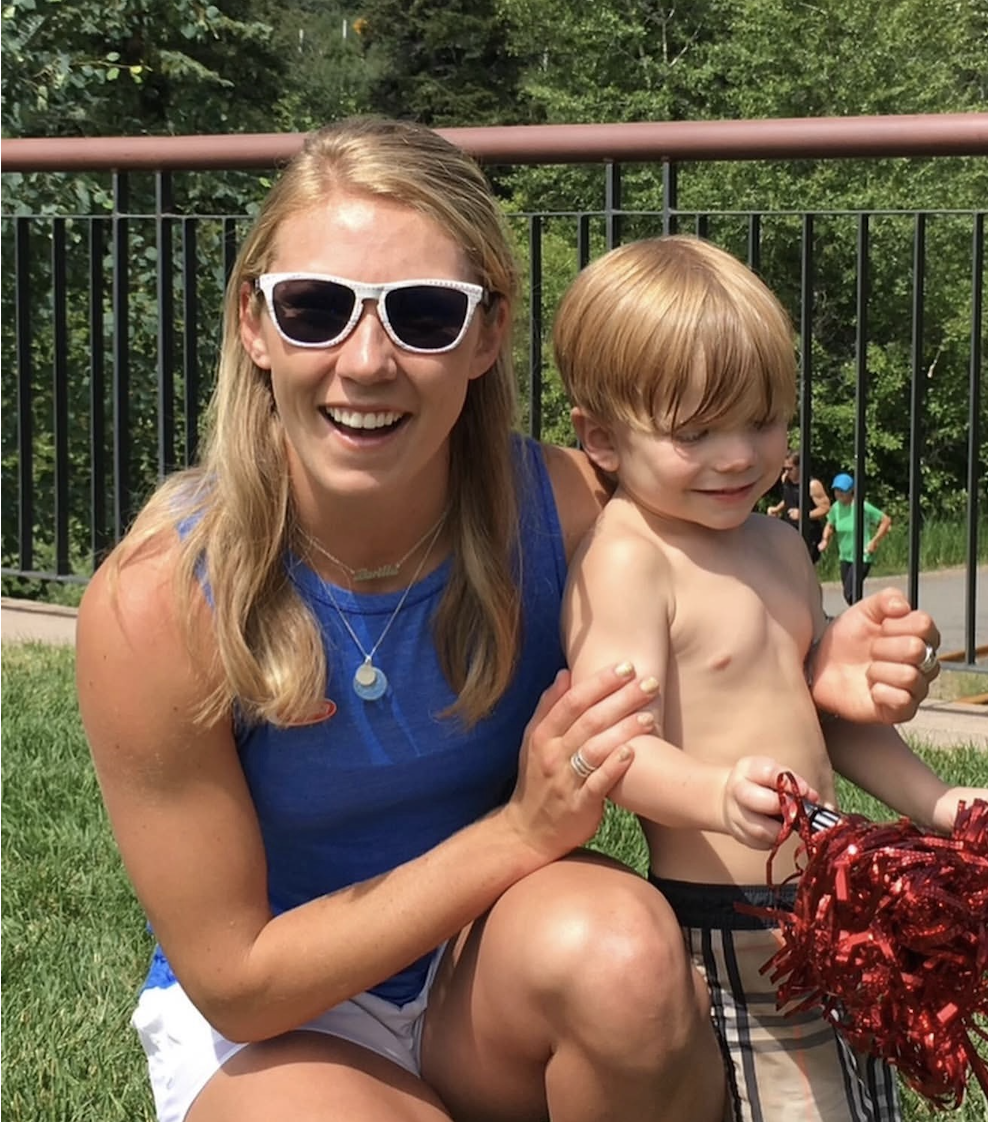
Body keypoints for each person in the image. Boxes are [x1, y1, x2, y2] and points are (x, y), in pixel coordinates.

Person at [76, 120, 942, 1122]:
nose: (366, 361)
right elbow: (238, 978)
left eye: (423, 314)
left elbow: (739, 609)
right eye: (314, 309)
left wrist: (828, 658)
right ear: (254, 324)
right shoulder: (159, 601)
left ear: (486, 334)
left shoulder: (567, 514)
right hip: (274, 1029)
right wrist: (523, 830)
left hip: (485, 975)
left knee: (618, 956)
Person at [554, 235, 981, 1122]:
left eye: (762, 420)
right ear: (600, 438)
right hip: (730, 917)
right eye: (695, 432)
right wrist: (715, 792)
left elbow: (828, 716)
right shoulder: (629, 561)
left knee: (863, 1103)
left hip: (833, 897)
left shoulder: (780, 547)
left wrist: (937, 804)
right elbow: (610, 749)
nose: (739, 456)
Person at [820, 472, 892, 605]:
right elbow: (830, 525)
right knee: (850, 595)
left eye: (842, 491)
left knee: (850, 592)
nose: (839, 494)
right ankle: (864, 617)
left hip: (862, 556)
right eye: (836, 490)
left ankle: (867, 614)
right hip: (845, 556)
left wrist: (874, 541)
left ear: (851, 490)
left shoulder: (862, 506)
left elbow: (885, 520)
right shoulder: (836, 508)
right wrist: (825, 540)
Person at [766, 447, 830, 563]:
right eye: (784, 468)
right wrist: (777, 509)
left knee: (803, 568)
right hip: (789, 531)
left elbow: (825, 508)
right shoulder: (785, 479)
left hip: (808, 534)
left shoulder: (812, 485)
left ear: (800, 467)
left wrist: (803, 514)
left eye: (790, 469)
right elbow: (788, 499)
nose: (786, 472)